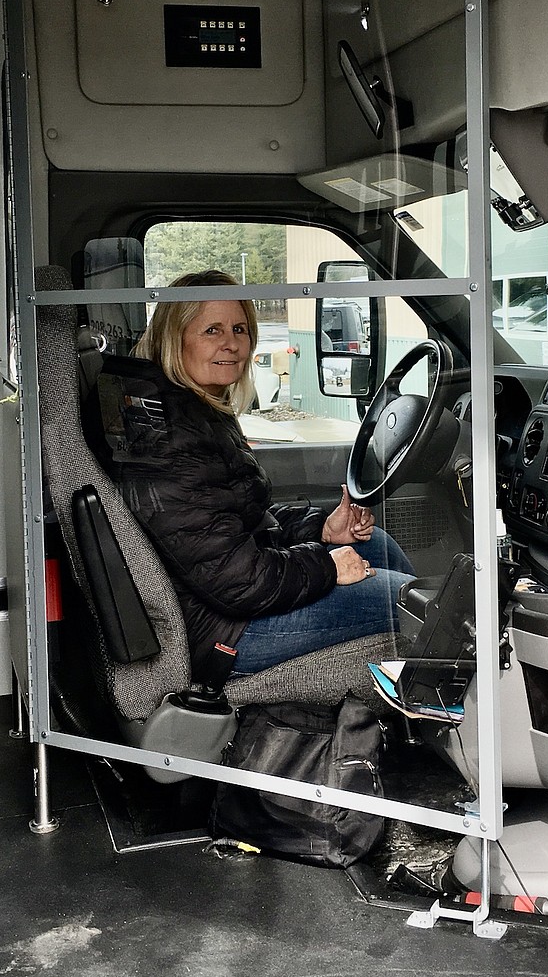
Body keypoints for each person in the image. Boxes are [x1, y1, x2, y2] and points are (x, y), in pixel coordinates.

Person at [83, 270, 413, 684]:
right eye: (212, 330)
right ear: (175, 337)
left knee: (378, 548)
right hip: (224, 633)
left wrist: (323, 530)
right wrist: (327, 568)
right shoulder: (167, 435)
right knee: (415, 604)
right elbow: (238, 580)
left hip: (226, 603)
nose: (232, 343)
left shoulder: (190, 408)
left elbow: (236, 519)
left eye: (239, 328)